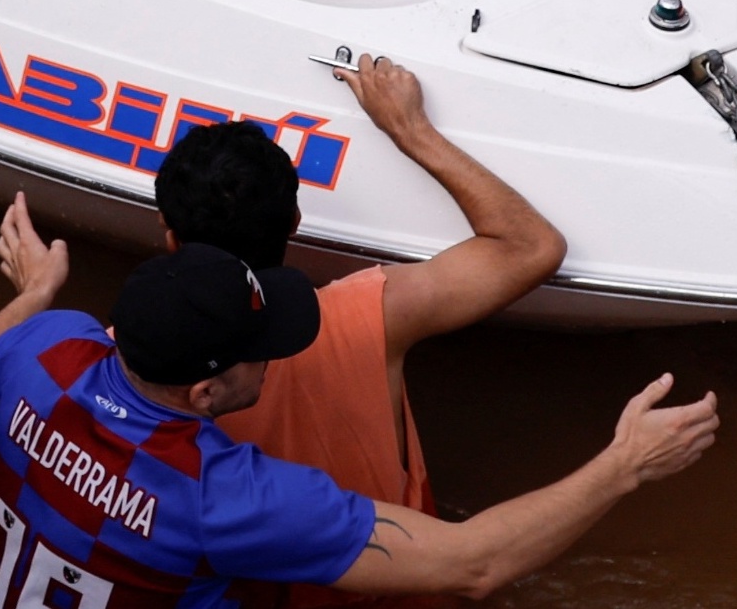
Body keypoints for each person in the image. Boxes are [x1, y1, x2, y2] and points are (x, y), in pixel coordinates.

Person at [0, 223, 713, 606]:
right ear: (204, 392)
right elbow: (472, 563)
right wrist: (624, 464)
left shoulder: (47, 349)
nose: (278, 356)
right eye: (262, 350)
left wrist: (29, 296)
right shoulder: (219, 495)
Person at [153, 58, 568, 547]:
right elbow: (532, 247)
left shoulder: (126, 359)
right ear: (295, 221)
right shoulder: (373, 313)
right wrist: (409, 128)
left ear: (171, 240)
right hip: (406, 583)